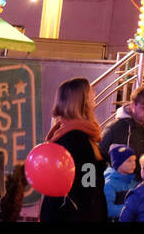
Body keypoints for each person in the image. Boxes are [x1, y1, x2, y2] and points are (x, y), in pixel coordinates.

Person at [39, 77, 107, 223]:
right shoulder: (77, 139)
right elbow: (87, 186)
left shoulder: (66, 135)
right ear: (80, 100)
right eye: (90, 92)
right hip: (76, 215)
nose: (94, 94)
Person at [104, 144, 139, 220]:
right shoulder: (110, 184)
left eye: (134, 160)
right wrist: (133, 209)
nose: (134, 164)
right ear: (118, 163)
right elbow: (108, 209)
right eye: (129, 161)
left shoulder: (135, 182)